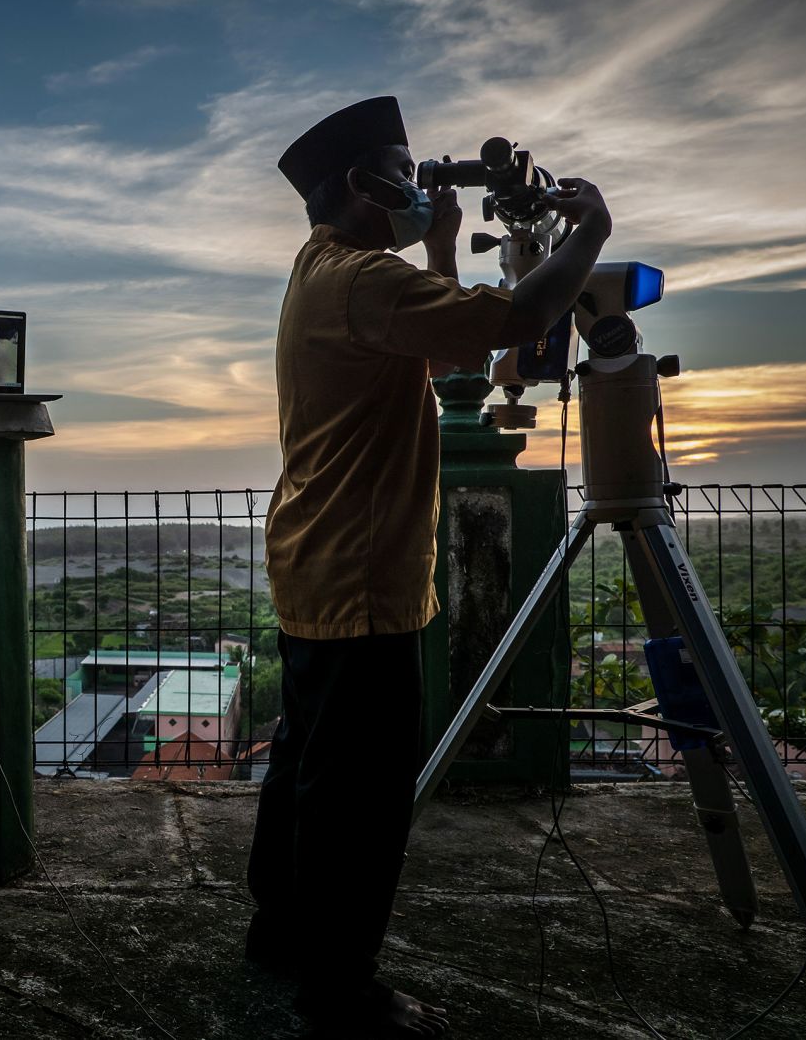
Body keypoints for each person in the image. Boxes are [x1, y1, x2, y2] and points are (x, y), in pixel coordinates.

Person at [248, 96, 612, 1037]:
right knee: (361, 798)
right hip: (366, 573)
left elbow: (444, 332)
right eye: (406, 173)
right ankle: (341, 990)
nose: (421, 187)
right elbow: (521, 311)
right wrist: (593, 231)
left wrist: (442, 247)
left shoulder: (325, 271)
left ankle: (282, 931)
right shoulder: (366, 282)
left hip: (316, 560)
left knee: (307, 766)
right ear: (367, 186)